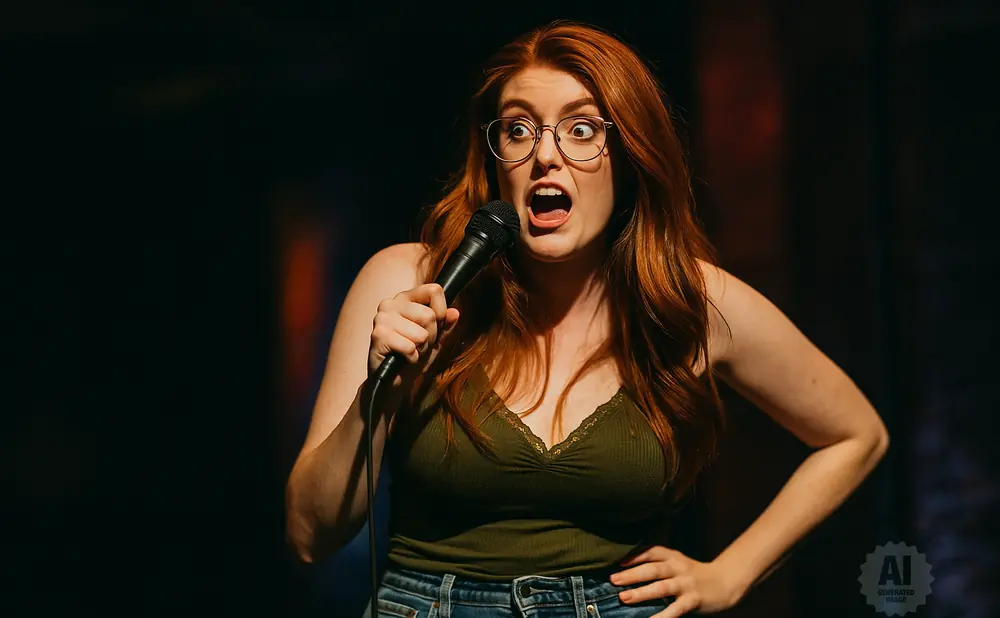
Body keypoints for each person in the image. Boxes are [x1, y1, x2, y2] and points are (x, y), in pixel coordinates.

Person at [285, 20, 890, 618]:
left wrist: (730, 575)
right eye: (518, 130)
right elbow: (310, 536)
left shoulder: (689, 301)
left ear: (630, 155)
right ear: (496, 164)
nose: (545, 155)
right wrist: (381, 393)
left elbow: (856, 435)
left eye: (581, 129)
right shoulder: (409, 281)